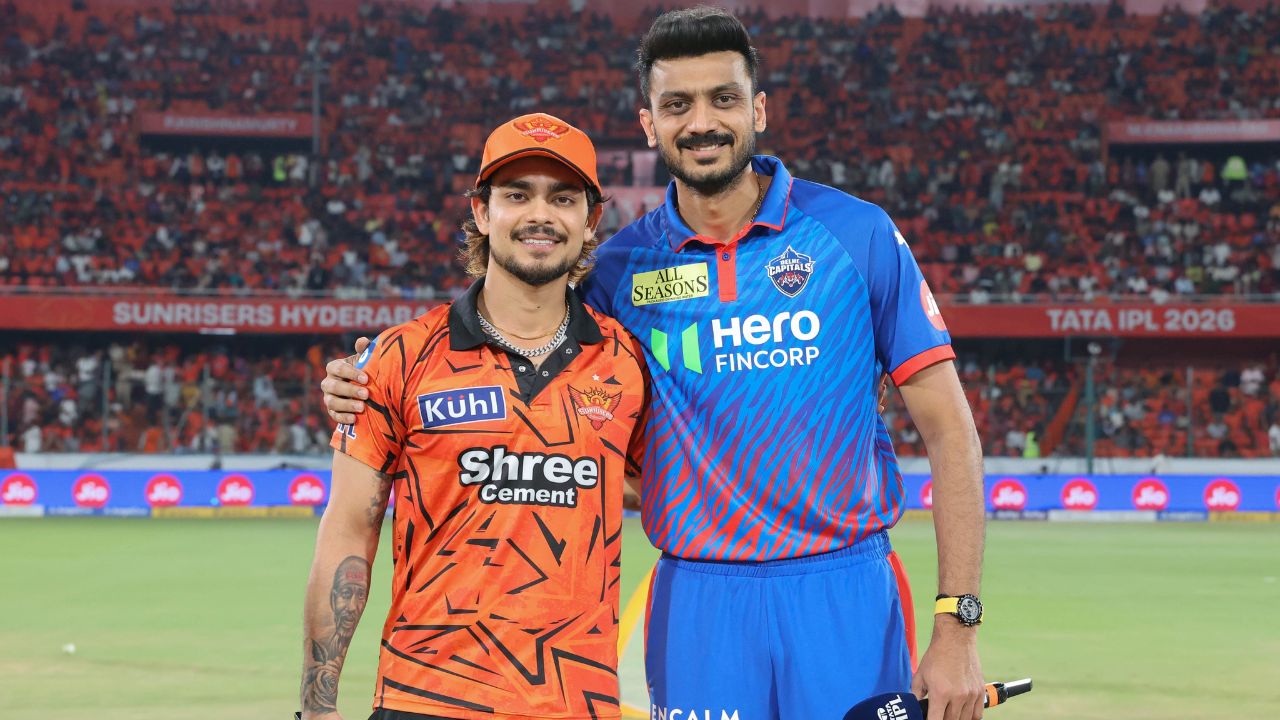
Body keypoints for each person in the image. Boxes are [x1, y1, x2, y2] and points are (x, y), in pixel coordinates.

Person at [322, 9, 986, 720]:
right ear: (649, 123)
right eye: (678, 104)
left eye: (723, 98)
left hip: (844, 588)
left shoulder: (857, 236)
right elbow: (514, 332)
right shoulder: (617, 272)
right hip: (698, 599)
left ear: (758, 109)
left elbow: (951, 435)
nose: (702, 122)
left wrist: (958, 625)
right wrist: (370, 372)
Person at [300, 113, 647, 720]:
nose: (540, 215)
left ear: (590, 221)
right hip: (424, 697)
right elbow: (349, 528)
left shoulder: (626, 361)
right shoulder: (400, 356)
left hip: (576, 704)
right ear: (482, 212)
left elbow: (670, 492)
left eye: (562, 198)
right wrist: (317, 706)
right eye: (517, 195)